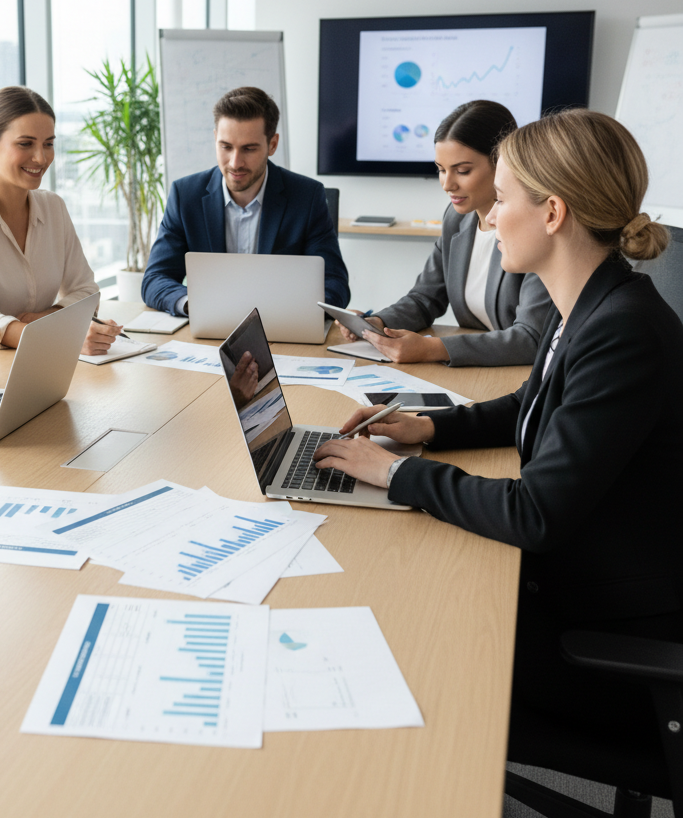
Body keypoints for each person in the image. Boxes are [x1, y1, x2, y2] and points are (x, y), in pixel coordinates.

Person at [313, 109, 683, 741]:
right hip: (580, 585)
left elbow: (534, 512)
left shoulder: (622, 329)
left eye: (501, 197)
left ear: (553, 213)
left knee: (407, 634)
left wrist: (396, 474)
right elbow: (528, 404)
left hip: (605, 639)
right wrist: (428, 430)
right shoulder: (593, 303)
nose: (485, 216)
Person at [338, 100, 551, 366]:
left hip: (519, 374)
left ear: (502, 163)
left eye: (463, 171)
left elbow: (531, 338)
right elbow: (425, 298)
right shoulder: (457, 219)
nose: (447, 184)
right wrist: (377, 324)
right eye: (440, 170)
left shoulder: (535, 227)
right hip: (477, 369)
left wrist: (433, 349)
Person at [0, 86, 119, 358]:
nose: (41, 158)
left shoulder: (53, 207)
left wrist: (44, 319)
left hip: (29, 357)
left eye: (48, 143)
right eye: (25, 143)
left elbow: (86, 292)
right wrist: (64, 333)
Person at [142, 86, 349, 315]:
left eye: (248, 149)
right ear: (215, 138)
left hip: (280, 329)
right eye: (226, 147)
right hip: (207, 329)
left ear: (272, 144)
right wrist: (194, 305)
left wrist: (294, 311)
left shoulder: (307, 197)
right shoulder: (185, 195)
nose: (235, 162)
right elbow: (155, 278)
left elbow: (335, 283)